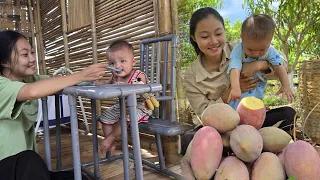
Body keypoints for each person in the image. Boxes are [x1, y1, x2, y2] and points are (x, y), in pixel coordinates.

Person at [181, 7, 296, 178]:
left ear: (224, 32)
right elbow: (203, 113)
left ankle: (266, 159)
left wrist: (258, 65)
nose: (213, 41)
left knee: (288, 114)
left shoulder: (242, 46)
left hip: (253, 122)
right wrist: (229, 93)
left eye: (218, 33)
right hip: (223, 129)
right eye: (205, 36)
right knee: (189, 139)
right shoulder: (191, 76)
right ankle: (236, 159)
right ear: (194, 38)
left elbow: (283, 63)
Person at [0, 30, 107, 180]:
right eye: (25, 55)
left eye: (32, 52)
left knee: (78, 177)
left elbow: (58, 80)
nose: (32, 59)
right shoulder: (2, 85)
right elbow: (31, 92)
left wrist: (95, 81)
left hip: (26, 169)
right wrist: (83, 74)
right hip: (8, 168)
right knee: (30, 160)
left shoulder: (28, 79)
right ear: (4, 62)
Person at [95, 40, 152, 153]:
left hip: (140, 107)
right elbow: (106, 84)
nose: (117, 66)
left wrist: (128, 86)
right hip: (121, 106)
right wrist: (97, 83)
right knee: (105, 116)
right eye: (112, 63)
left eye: (122, 61)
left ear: (133, 62)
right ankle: (111, 142)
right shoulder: (115, 77)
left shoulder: (138, 75)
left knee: (126, 116)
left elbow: (142, 87)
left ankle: (110, 138)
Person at [227, 14, 294, 109]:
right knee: (236, 112)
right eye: (250, 50)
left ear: (270, 41)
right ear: (242, 37)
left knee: (256, 109)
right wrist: (235, 88)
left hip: (257, 94)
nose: (256, 53)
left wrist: (286, 85)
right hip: (238, 95)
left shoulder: (270, 51)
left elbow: (279, 67)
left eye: (262, 50)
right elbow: (234, 68)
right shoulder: (238, 50)